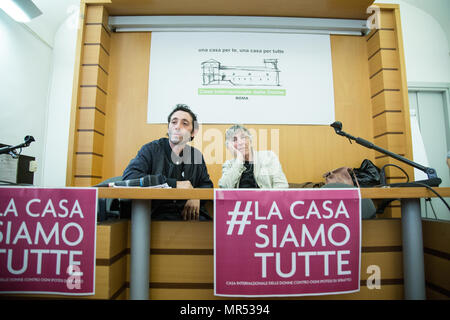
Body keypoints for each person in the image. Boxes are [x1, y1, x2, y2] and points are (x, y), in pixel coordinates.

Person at [122, 104, 213, 220]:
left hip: (190, 217)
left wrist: (196, 195)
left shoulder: (196, 155)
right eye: (174, 122)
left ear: (193, 132)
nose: (177, 127)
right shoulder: (151, 149)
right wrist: (174, 184)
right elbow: (130, 177)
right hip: (153, 216)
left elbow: (207, 185)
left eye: (184, 123)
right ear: (168, 128)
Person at [219, 124, 288, 188]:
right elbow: (224, 187)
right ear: (229, 146)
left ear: (250, 140)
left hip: (266, 200)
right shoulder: (229, 165)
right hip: (239, 201)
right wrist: (239, 159)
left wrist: (269, 200)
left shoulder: (268, 157)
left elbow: (282, 186)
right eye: (234, 140)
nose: (240, 142)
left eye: (243, 137)